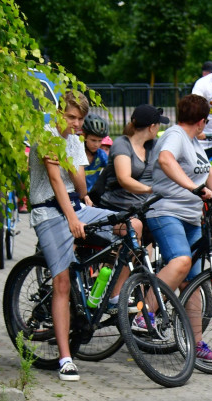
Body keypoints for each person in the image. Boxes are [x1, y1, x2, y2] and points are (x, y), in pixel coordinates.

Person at [27, 90, 139, 381]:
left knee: (132, 227)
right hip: (49, 212)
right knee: (62, 281)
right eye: (71, 116)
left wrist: (79, 193)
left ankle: (111, 295)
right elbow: (55, 181)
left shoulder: (74, 140)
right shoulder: (47, 135)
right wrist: (72, 218)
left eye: (80, 119)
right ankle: (65, 358)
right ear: (59, 113)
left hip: (75, 206)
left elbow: (78, 185)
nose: (75, 123)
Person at [139, 94, 212, 363]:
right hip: (166, 212)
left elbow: (209, 173)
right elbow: (166, 161)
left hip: (191, 218)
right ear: (202, 121)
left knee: (192, 282)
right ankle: (144, 316)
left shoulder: (193, 142)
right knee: (181, 261)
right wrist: (193, 188)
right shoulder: (175, 135)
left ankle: (196, 343)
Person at [94, 104, 167, 211]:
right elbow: (124, 179)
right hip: (120, 208)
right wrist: (151, 189)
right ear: (151, 127)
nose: (159, 127)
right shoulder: (122, 144)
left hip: (146, 207)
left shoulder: (154, 145)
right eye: (158, 124)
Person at [81, 114, 109, 192]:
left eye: (100, 141)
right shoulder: (77, 154)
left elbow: (112, 170)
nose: (96, 145)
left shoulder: (101, 155)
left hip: (94, 194)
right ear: (84, 136)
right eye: (93, 140)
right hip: (77, 194)